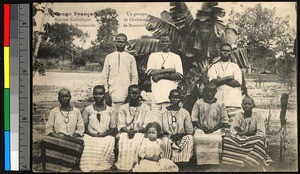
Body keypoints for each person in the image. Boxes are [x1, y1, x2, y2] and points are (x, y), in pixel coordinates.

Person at [222, 96, 271, 171]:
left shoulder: (257, 116)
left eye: (249, 104)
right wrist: (246, 133)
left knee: (260, 140)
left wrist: (243, 133)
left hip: (252, 139)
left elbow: (260, 132)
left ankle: (251, 161)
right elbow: (232, 130)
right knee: (226, 138)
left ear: (253, 106)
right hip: (240, 138)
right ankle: (237, 162)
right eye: (245, 104)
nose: (247, 106)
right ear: (242, 105)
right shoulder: (238, 116)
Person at [41, 88, 84, 172]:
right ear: (58, 98)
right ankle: (52, 166)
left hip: (72, 139)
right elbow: (48, 129)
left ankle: (69, 166)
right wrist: (58, 136)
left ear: (70, 97)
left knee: (79, 143)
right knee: (44, 140)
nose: (64, 99)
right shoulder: (54, 111)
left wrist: (71, 137)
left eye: (66, 96)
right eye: (62, 96)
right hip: (57, 139)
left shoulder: (76, 111)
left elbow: (80, 128)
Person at [80, 85, 118, 172]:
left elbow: (113, 128)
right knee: (89, 144)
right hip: (90, 135)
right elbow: (84, 126)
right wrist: (92, 134)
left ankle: (103, 165)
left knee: (109, 141)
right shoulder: (88, 109)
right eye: (96, 94)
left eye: (101, 94)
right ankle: (90, 166)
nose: (98, 96)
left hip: (105, 135)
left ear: (104, 95)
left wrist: (103, 134)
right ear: (93, 95)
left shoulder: (110, 110)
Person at [115, 84, 151, 171]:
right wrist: (128, 131)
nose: (134, 95)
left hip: (140, 132)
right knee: (123, 137)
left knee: (137, 138)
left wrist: (136, 131)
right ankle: (124, 164)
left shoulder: (146, 108)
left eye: (136, 93)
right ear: (128, 94)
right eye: (131, 93)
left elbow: (146, 124)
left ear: (140, 94)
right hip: (125, 132)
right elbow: (121, 124)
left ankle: (134, 163)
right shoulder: (123, 108)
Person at [191, 82, 229, 165]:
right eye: (208, 91)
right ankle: (201, 161)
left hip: (216, 128)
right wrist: (202, 128)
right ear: (204, 91)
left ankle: (214, 162)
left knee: (217, 139)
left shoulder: (220, 103)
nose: (210, 93)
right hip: (201, 128)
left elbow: (224, 120)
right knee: (198, 138)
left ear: (215, 92)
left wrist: (214, 129)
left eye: (212, 91)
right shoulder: (198, 103)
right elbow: (194, 119)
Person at [146, 33, 183, 114]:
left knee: (168, 123)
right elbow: (150, 72)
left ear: (170, 42)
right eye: (162, 41)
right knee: (155, 122)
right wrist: (169, 70)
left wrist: (160, 76)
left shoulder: (176, 57)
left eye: (167, 41)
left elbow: (179, 75)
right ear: (160, 42)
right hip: (156, 97)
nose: (164, 43)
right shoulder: (153, 56)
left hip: (170, 98)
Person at [102, 33, 139, 111]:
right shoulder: (109, 57)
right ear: (115, 42)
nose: (120, 44)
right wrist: (106, 93)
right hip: (112, 93)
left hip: (126, 94)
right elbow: (104, 76)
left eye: (122, 42)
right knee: (113, 118)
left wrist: (131, 94)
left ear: (126, 43)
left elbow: (134, 77)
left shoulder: (130, 58)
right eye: (118, 41)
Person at [207, 43, 243, 123]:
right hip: (217, 101)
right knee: (217, 126)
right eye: (223, 50)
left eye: (228, 51)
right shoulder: (214, 66)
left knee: (233, 126)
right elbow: (212, 82)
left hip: (233, 102)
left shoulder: (235, 67)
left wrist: (220, 79)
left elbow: (237, 82)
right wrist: (229, 77)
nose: (225, 52)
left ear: (231, 52)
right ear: (220, 52)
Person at [160, 89, 194, 163]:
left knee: (190, 138)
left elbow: (190, 131)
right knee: (165, 141)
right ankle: (166, 162)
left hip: (180, 137)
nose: (175, 99)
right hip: (167, 137)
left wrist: (180, 135)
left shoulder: (185, 112)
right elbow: (159, 130)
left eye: (177, 97)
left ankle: (182, 162)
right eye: (173, 97)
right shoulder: (162, 112)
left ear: (180, 98)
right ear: (169, 98)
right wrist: (169, 136)